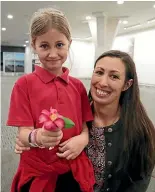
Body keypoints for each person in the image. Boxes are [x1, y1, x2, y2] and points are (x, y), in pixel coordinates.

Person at [15, 50, 155, 192]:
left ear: (127, 84)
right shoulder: (74, 117)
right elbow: (46, 147)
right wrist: (30, 140)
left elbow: (139, 181)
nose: (103, 82)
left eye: (114, 76)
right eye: (99, 72)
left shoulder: (140, 129)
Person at [7, 8, 95, 192]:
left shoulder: (78, 86)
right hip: (38, 172)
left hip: (73, 169)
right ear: (34, 44)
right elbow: (23, 132)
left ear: (69, 43)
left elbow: (85, 126)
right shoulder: (23, 85)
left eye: (60, 45)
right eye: (45, 46)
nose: (53, 53)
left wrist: (82, 140)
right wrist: (37, 136)